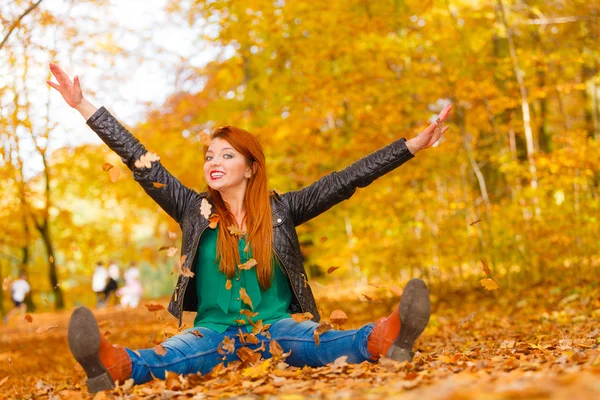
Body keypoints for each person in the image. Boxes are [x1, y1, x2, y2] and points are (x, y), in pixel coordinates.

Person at [48, 62, 451, 393]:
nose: (213, 161)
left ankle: (385, 337)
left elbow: (347, 179)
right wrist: (83, 104)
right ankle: (112, 364)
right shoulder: (193, 208)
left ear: (251, 167)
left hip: (278, 330)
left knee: (323, 342)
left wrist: (411, 146)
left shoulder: (284, 210)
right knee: (170, 356)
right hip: (213, 334)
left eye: (227, 154)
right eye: (209, 155)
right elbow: (138, 158)